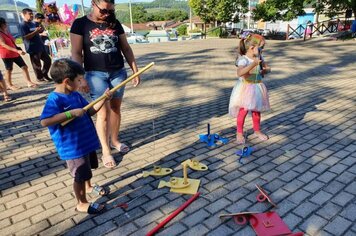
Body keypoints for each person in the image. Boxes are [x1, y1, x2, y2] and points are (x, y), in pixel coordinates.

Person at [70, 0, 140, 168]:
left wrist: (135, 69)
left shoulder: (114, 23)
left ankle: (115, 140)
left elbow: (126, 48)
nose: (107, 14)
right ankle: (106, 151)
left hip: (118, 73)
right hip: (95, 75)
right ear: (93, 3)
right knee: (103, 113)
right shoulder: (80, 24)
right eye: (103, 10)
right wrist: (80, 77)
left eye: (110, 11)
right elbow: (76, 53)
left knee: (116, 108)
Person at [40, 58, 112, 214]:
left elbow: (89, 111)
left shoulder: (75, 95)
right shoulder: (55, 99)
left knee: (87, 169)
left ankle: (89, 187)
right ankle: (81, 203)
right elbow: (45, 121)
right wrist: (69, 113)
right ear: (67, 81)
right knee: (79, 174)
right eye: (79, 80)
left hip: (85, 143)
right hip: (73, 147)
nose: (82, 83)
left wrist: (103, 100)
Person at [229, 33, 271, 144]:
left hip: (257, 87)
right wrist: (253, 65)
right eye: (261, 48)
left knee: (257, 111)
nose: (262, 50)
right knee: (243, 112)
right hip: (246, 88)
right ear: (252, 48)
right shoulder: (244, 59)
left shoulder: (259, 57)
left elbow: (267, 69)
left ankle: (257, 131)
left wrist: (265, 70)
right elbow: (240, 73)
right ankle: (239, 133)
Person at [0, 17, 37, 90]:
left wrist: (17, 47)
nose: (6, 24)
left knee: (24, 67)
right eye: (4, 23)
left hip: (14, 53)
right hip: (6, 54)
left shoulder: (6, 31)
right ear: (1, 24)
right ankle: (10, 85)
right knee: (9, 69)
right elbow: (3, 44)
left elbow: (11, 41)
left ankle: (29, 82)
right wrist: (17, 50)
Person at [20, 8, 52, 82]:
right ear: (24, 15)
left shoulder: (33, 23)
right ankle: (39, 78)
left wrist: (40, 29)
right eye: (29, 14)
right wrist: (36, 31)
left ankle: (44, 74)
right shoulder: (23, 25)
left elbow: (40, 30)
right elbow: (25, 37)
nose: (31, 15)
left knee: (48, 60)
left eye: (32, 14)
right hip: (32, 47)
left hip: (40, 46)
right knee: (37, 64)